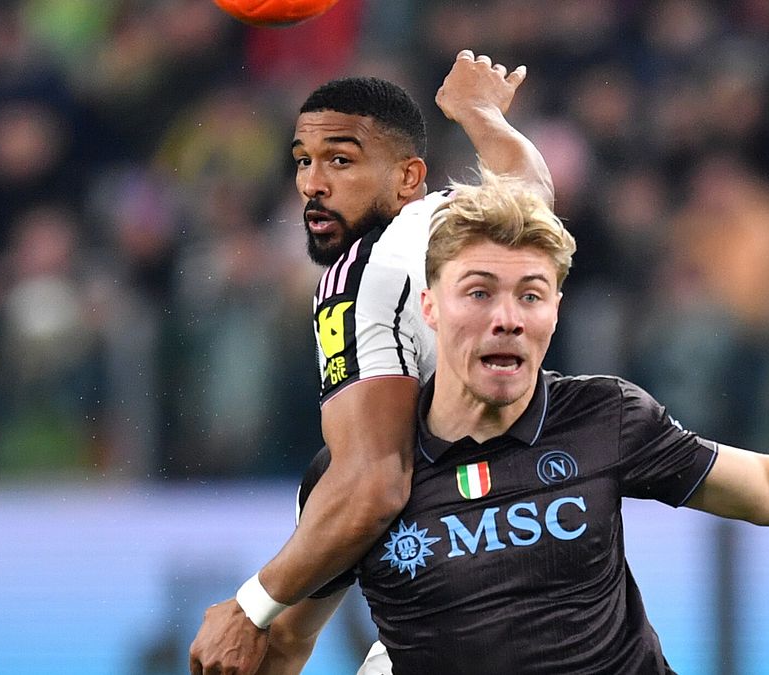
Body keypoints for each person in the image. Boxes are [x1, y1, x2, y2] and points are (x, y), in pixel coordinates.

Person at [262, 169, 769, 674]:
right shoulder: (361, 470)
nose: (507, 316)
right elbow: (288, 640)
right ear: (432, 308)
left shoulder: (602, 418)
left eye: (531, 295)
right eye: (480, 292)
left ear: (555, 312)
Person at [188, 50, 553, 675]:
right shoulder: (459, 221)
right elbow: (532, 187)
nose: (312, 184)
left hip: (464, 598)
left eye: (340, 160)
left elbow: (373, 485)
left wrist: (250, 607)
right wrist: (480, 114)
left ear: (408, 177)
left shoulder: (360, 274)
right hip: (554, 560)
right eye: (302, 161)